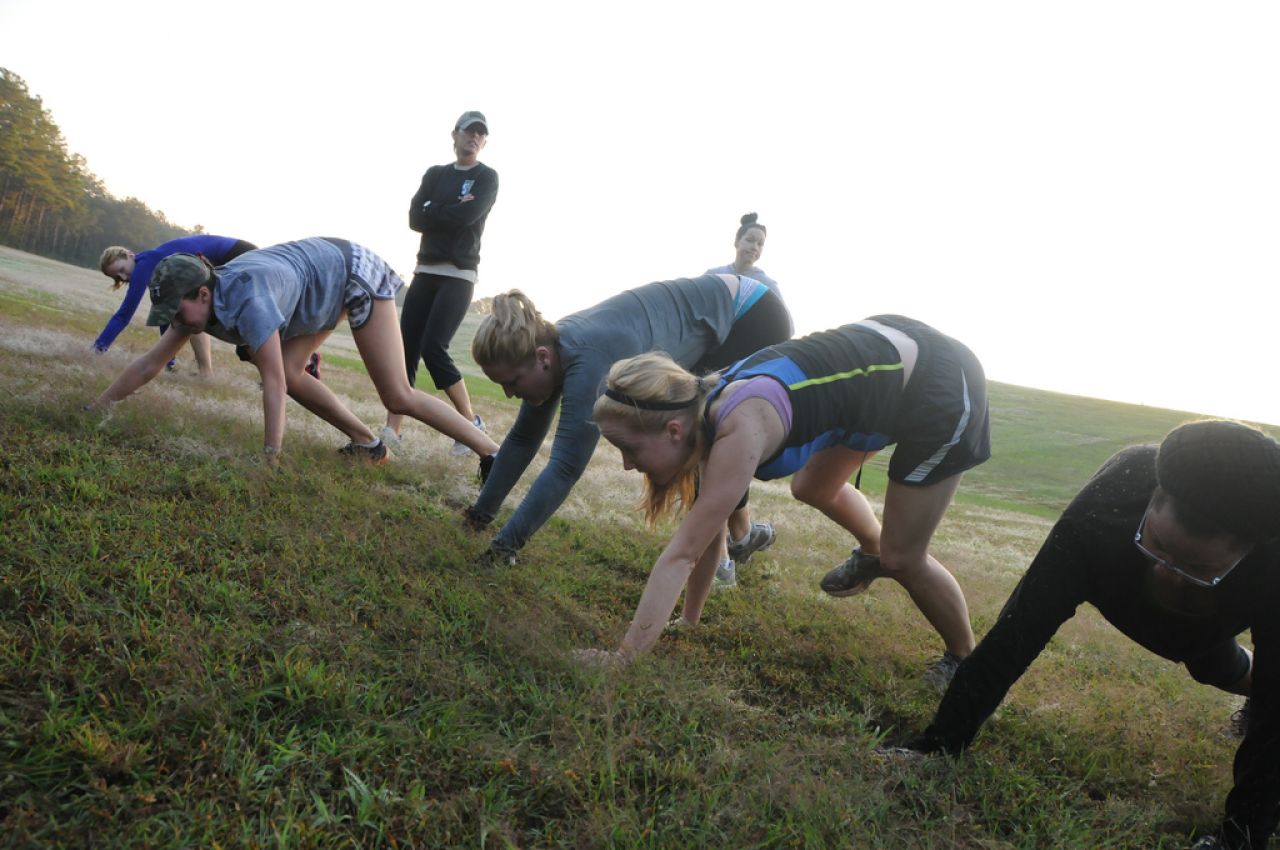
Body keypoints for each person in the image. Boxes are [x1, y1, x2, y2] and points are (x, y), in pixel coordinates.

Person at [905, 420, 1280, 850]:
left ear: (1250, 551)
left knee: (1241, 678)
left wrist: (1243, 837)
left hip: (1211, 628)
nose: (1167, 572)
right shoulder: (1112, 496)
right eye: (1157, 544)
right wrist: (939, 744)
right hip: (1118, 583)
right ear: (1152, 499)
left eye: (1198, 569)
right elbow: (1019, 631)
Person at [580, 316, 991, 687]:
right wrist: (688, 621)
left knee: (901, 557)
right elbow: (706, 536)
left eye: (630, 449)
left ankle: (963, 658)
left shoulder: (742, 423)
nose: (627, 466)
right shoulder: (700, 408)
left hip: (940, 384)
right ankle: (871, 551)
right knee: (811, 487)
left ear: (672, 429)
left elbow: (682, 554)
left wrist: (624, 658)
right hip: (888, 369)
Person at [88, 238, 500, 469]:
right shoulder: (196, 305)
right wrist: (98, 407)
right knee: (292, 368)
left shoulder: (250, 299)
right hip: (314, 285)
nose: (175, 322)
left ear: (202, 293)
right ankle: (368, 445)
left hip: (350, 272)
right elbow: (149, 364)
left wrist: (271, 457)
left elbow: (272, 383)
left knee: (397, 395)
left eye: (177, 312)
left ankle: (491, 453)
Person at [466, 274, 793, 564]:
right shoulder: (550, 347)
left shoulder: (588, 357)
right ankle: (744, 537)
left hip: (752, 317)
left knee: (704, 439)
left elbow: (565, 467)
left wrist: (504, 547)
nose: (509, 394)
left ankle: (723, 558)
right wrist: (478, 516)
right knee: (700, 442)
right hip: (730, 312)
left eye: (512, 382)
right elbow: (523, 439)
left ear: (542, 358)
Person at [382, 110, 498, 457]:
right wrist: (450, 208)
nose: (474, 137)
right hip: (425, 270)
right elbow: (415, 217)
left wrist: (438, 210)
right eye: (469, 131)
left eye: (480, 134)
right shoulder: (435, 174)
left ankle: (469, 424)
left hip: (459, 274)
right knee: (406, 351)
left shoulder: (486, 177)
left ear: (484, 141)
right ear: (455, 134)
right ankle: (392, 430)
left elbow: (469, 217)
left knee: (435, 348)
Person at [704, 212, 796, 587]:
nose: (754, 247)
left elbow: (778, 334)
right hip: (709, 373)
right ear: (737, 240)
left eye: (760, 243)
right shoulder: (714, 275)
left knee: (724, 458)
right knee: (712, 457)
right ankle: (742, 537)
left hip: (743, 377)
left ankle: (726, 556)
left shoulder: (768, 286)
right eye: (750, 239)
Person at [96, 235, 257, 375]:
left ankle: (209, 373)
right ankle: (203, 374)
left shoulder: (143, 264)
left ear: (130, 255)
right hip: (243, 252)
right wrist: (168, 361)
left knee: (247, 326)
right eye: (117, 276)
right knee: (192, 316)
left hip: (238, 255)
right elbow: (168, 313)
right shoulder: (150, 263)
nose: (124, 277)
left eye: (122, 269)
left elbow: (125, 314)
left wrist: (98, 348)